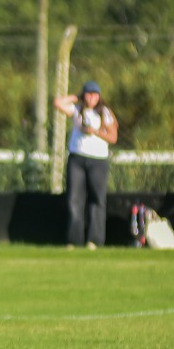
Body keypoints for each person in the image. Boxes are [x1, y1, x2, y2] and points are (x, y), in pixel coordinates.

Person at [53, 80, 118, 250]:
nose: (91, 98)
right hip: (77, 158)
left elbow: (113, 137)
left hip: (97, 160)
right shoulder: (77, 110)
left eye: (94, 95)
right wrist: (77, 97)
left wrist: (95, 132)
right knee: (75, 198)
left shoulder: (104, 112)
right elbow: (58, 103)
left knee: (97, 199)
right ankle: (74, 239)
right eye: (88, 94)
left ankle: (94, 240)